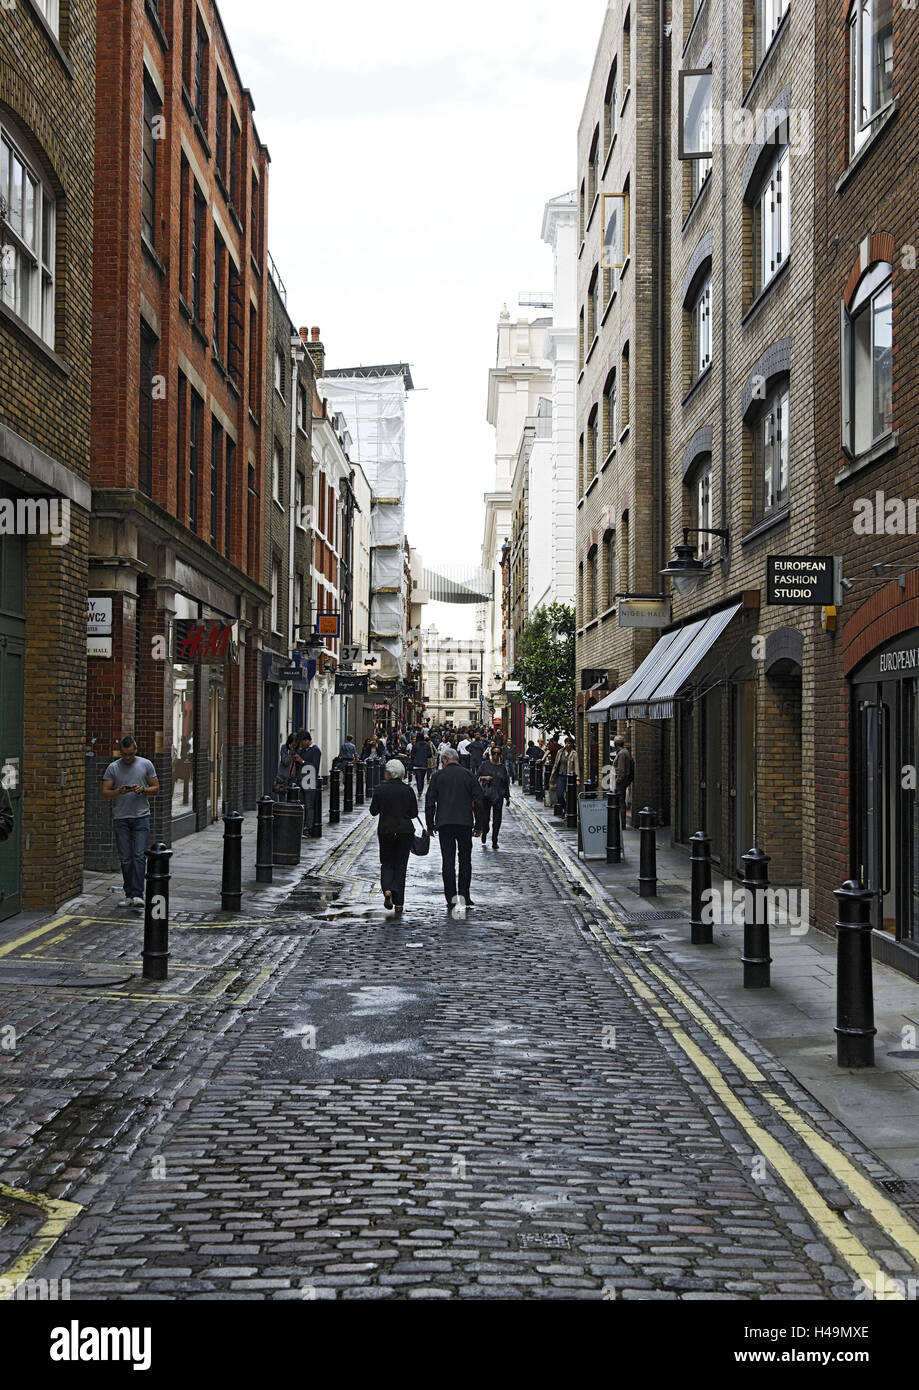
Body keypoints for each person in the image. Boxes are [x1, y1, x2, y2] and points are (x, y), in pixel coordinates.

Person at [425, 747, 484, 919]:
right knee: (465, 860)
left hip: (444, 824)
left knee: (448, 861)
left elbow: (430, 802)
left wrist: (430, 825)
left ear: (444, 760)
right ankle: (464, 896)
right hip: (464, 823)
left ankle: (451, 898)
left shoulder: (438, 776)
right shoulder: (468, 775)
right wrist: (479, 825)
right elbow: (478, 801)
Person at [102, 736, 159, 909]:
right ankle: (129, 894)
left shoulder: (146, 764)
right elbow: (105, 792)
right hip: (121, 818)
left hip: (141, 816)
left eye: (131, 754)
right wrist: (118, 791)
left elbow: (156, 788)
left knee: (139, 856)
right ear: (121, 752)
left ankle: (137, 894)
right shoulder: (113, 767)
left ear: (136, 749)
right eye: (124, 754)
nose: (128, 757)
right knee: (126, 858)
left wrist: (143, 790)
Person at [369, 759, 418, 917]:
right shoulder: (408, 790)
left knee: (387, 862)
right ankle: (399, 903)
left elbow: (373, 811)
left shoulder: (380, 789)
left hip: (386, 831)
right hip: (405, 832)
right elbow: (414, 814)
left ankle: (388, 890)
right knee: (401, 866)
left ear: (389, 773)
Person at [477, 747, 511, 850]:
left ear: (500, 755)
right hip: (486, 796)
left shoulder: (502, 768)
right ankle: (484, 832)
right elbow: (476, 776)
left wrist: (507, 797)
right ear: (491, 754)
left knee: (497, 820)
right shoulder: (485, 765)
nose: (496, 755)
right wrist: (484, 777)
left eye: (498, 753)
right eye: (494, 753)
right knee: (485, 819)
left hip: (498, 796)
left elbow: (505, 783)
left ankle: (494, 840)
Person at [298, 732, 321, 828]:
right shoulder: (302, 750)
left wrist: (302, 761)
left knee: (309, 806)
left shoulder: (316, 750)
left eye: (302, 742)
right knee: (301, 805)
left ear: (307, 740)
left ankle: (308, 827)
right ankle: (302, 827)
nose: (301, 744)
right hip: (301, 780)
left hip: (310, 781)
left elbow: (315, 767)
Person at [613, 734, 635, 830]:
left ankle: (622, 824)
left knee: (621, 802)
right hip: (624, 780)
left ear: (616, 743)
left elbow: (621, 770)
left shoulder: (622, 753)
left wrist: (618, 781)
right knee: (621, 801)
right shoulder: (624, 752)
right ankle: (621, 822)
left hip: (621, 781)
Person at [550, 737, 577, 812]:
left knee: (569, 795)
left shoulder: (574, 754)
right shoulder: (560, 752)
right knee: (559, 794)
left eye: (569, 743)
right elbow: (556, 763)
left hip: (569, 777)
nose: (567, 745)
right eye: (566, 743)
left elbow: (576, 766)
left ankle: (567, 812)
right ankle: (565, 808)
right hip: (560, 776)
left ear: (571, 744)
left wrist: (577, 779)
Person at [273, 733, 299, 799]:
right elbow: (285, 762)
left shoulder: (299, 749)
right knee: (282, 799)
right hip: (283, 778)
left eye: (296, 743)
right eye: (293, 743)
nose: (294, 745)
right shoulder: (284, 748)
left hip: (294, 777)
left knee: (293, 798)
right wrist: (291, 752)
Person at [409, 732, 433, 796]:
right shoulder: (427, 745)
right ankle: (421, 790)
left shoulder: (415, 745)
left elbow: (412, 755)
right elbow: (430, 755)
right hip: (424, 764)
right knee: (422, 778)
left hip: (416, 765)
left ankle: (419, 790)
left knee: (418, 778)